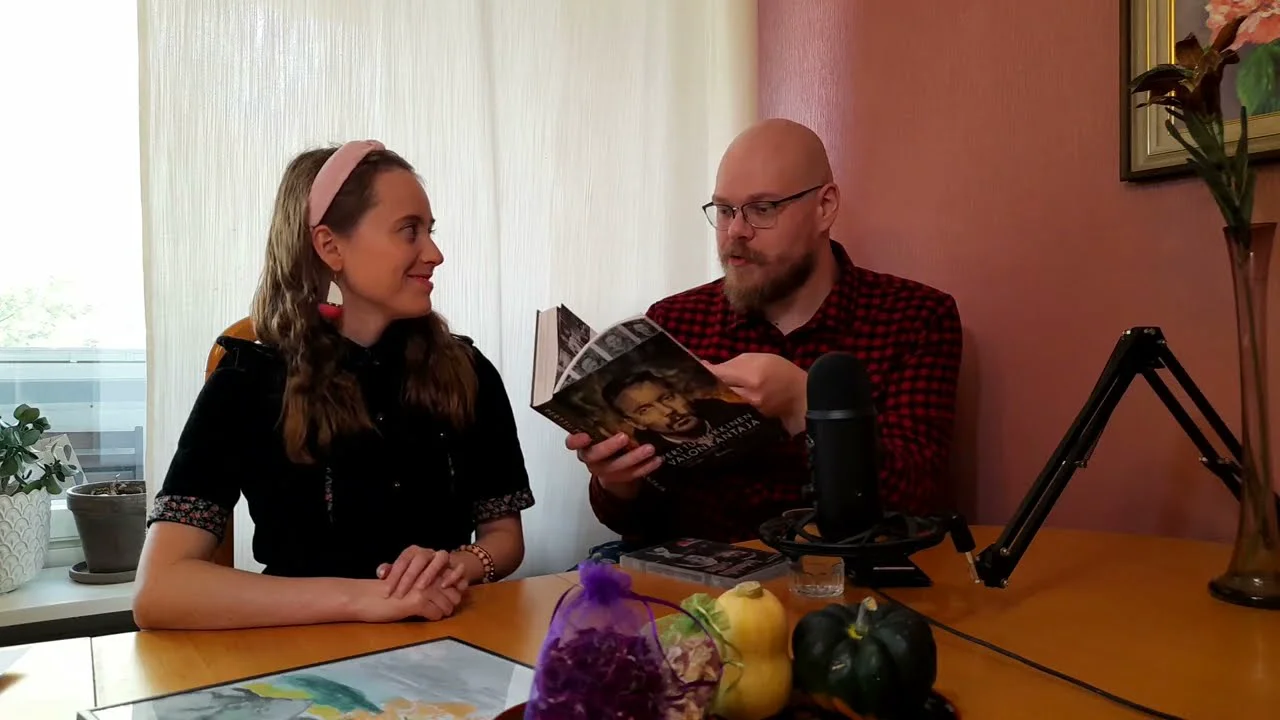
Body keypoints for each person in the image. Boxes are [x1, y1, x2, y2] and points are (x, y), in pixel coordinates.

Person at [133, 140, 534, 630]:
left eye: (430, 231)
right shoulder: (246, 382)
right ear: (330, 246)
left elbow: (503, 538)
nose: (435, 254)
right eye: (409, 230)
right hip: (303, 650)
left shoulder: (467, 372)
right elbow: (159, 590)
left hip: (445, 640)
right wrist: (366, 599)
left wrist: (456, 565)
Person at [567, 119, 962, 556]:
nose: (736, 231)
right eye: (724, 210)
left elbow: (916, 499)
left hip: (837, 577)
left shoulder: (914, 317)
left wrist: (804, 406)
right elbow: (638, 525)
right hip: (692, 581)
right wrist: (616, 483)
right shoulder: (674, 321)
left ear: (825, 206)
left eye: (762, 209)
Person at [600, 370, 747, 454]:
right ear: (635, 423)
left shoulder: (737, 411)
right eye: (645, 410)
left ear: (680, 393)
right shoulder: (653, 461)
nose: (669, 411)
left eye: (668, 398)